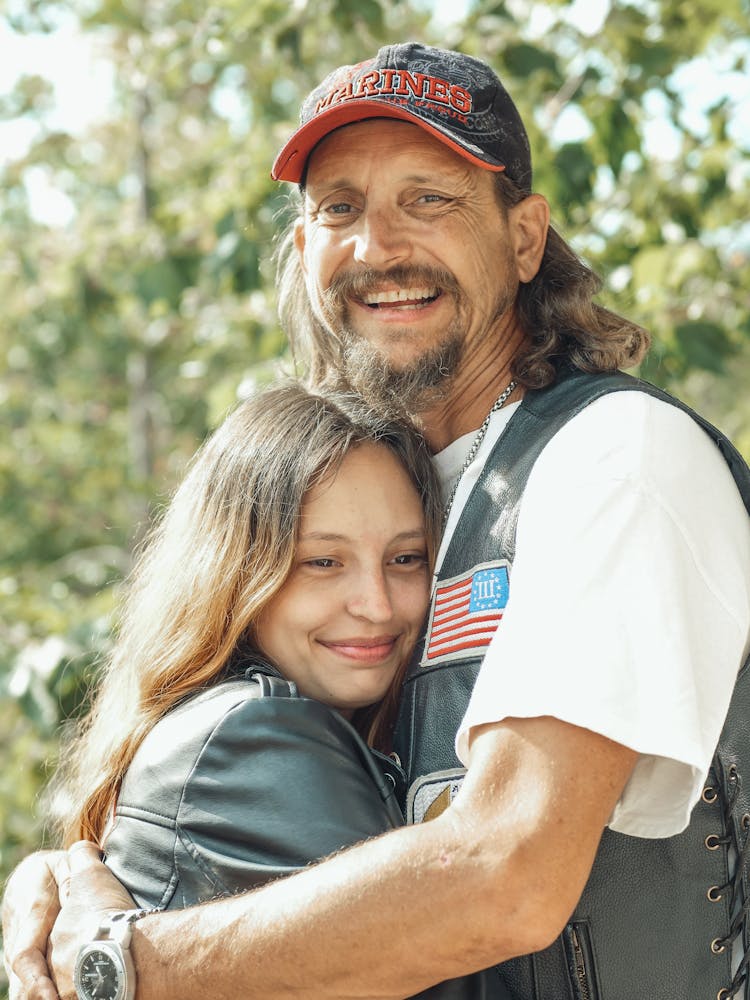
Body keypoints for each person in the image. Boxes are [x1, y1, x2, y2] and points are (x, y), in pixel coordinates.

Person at [4, 41, 750, 1000]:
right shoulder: (375, 490)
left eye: (429, 199)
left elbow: (505, 879)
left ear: (525, 239)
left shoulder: (614, 462)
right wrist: (71, 881)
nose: (377, 247)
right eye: (339, 209)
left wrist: (129, 961)